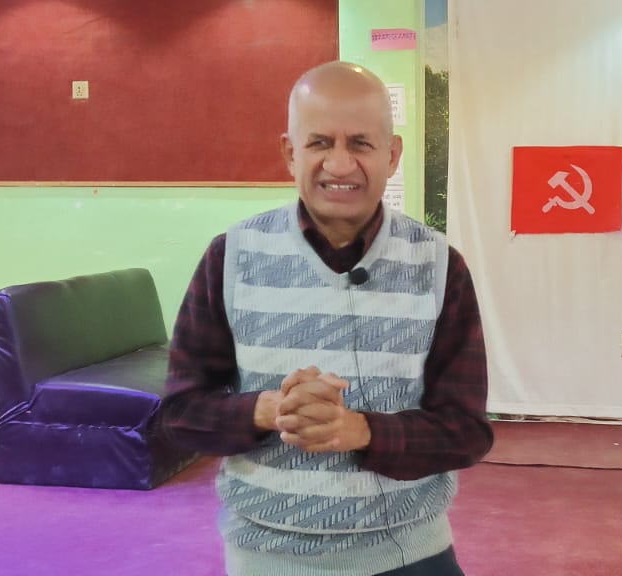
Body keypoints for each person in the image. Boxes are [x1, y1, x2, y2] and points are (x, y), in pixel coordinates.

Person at [155, 61, 493, 576]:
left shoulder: (438, 266)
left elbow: (466, 430)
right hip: (268, 557)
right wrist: (270, 411)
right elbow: (180, 414)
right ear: (290, 153)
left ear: (392, 155)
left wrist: (361, 431)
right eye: (319, 143)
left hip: (410, 553)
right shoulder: (232, 258)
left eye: (360, 143)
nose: (339, 164)